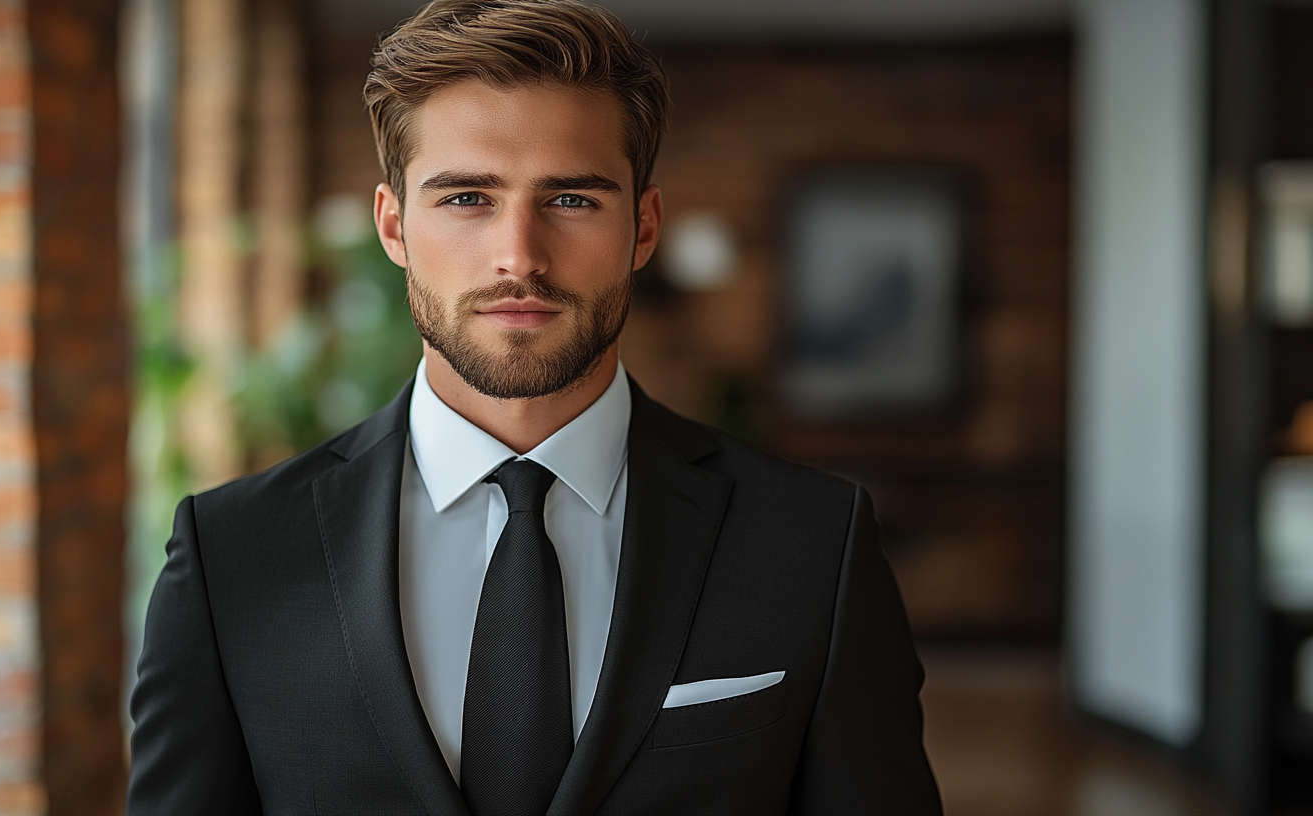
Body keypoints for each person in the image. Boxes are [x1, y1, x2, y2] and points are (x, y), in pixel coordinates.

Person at [126, 0, 942, 813]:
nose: (519, 255)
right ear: (393, 225)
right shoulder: (233, 555)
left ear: (644, 226)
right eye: (467, 199)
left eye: (573, 200)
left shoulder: (814, 546)